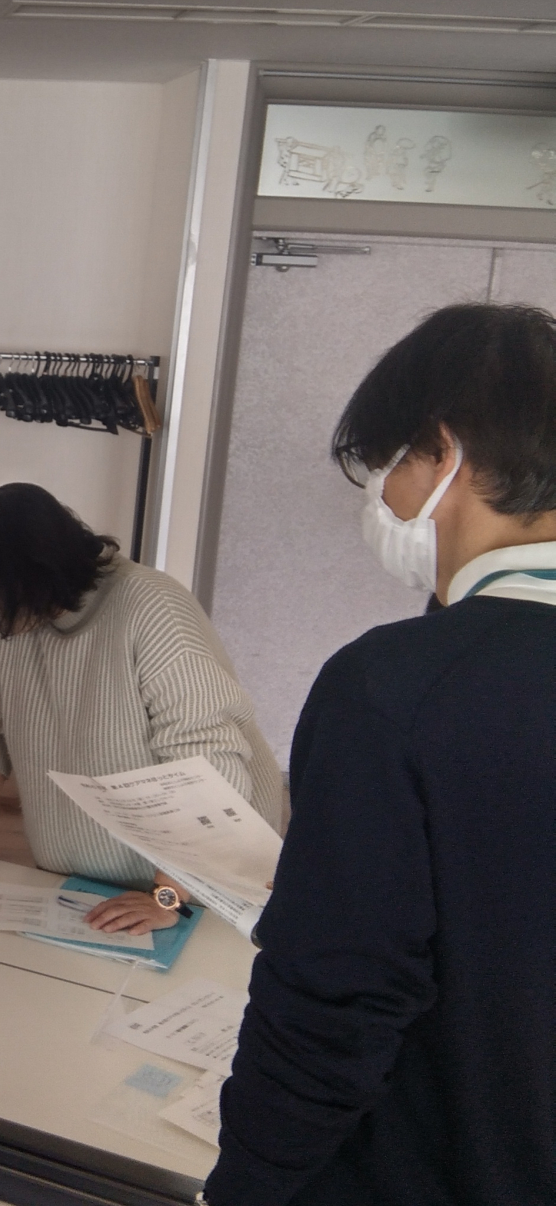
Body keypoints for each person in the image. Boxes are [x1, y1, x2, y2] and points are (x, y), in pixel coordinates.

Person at [204, 303, 556, 1206]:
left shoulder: (393, 689)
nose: (385, 497)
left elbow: (333, 1006)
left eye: (392, 464)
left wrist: (245, 1185)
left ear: (445, 453)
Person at [0, 483, 282, 935]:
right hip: (83, 881)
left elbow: (207, 766)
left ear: (29, 564)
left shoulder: (151, 605)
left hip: (192, 889)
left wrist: (168, 897)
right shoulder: (14, 618)